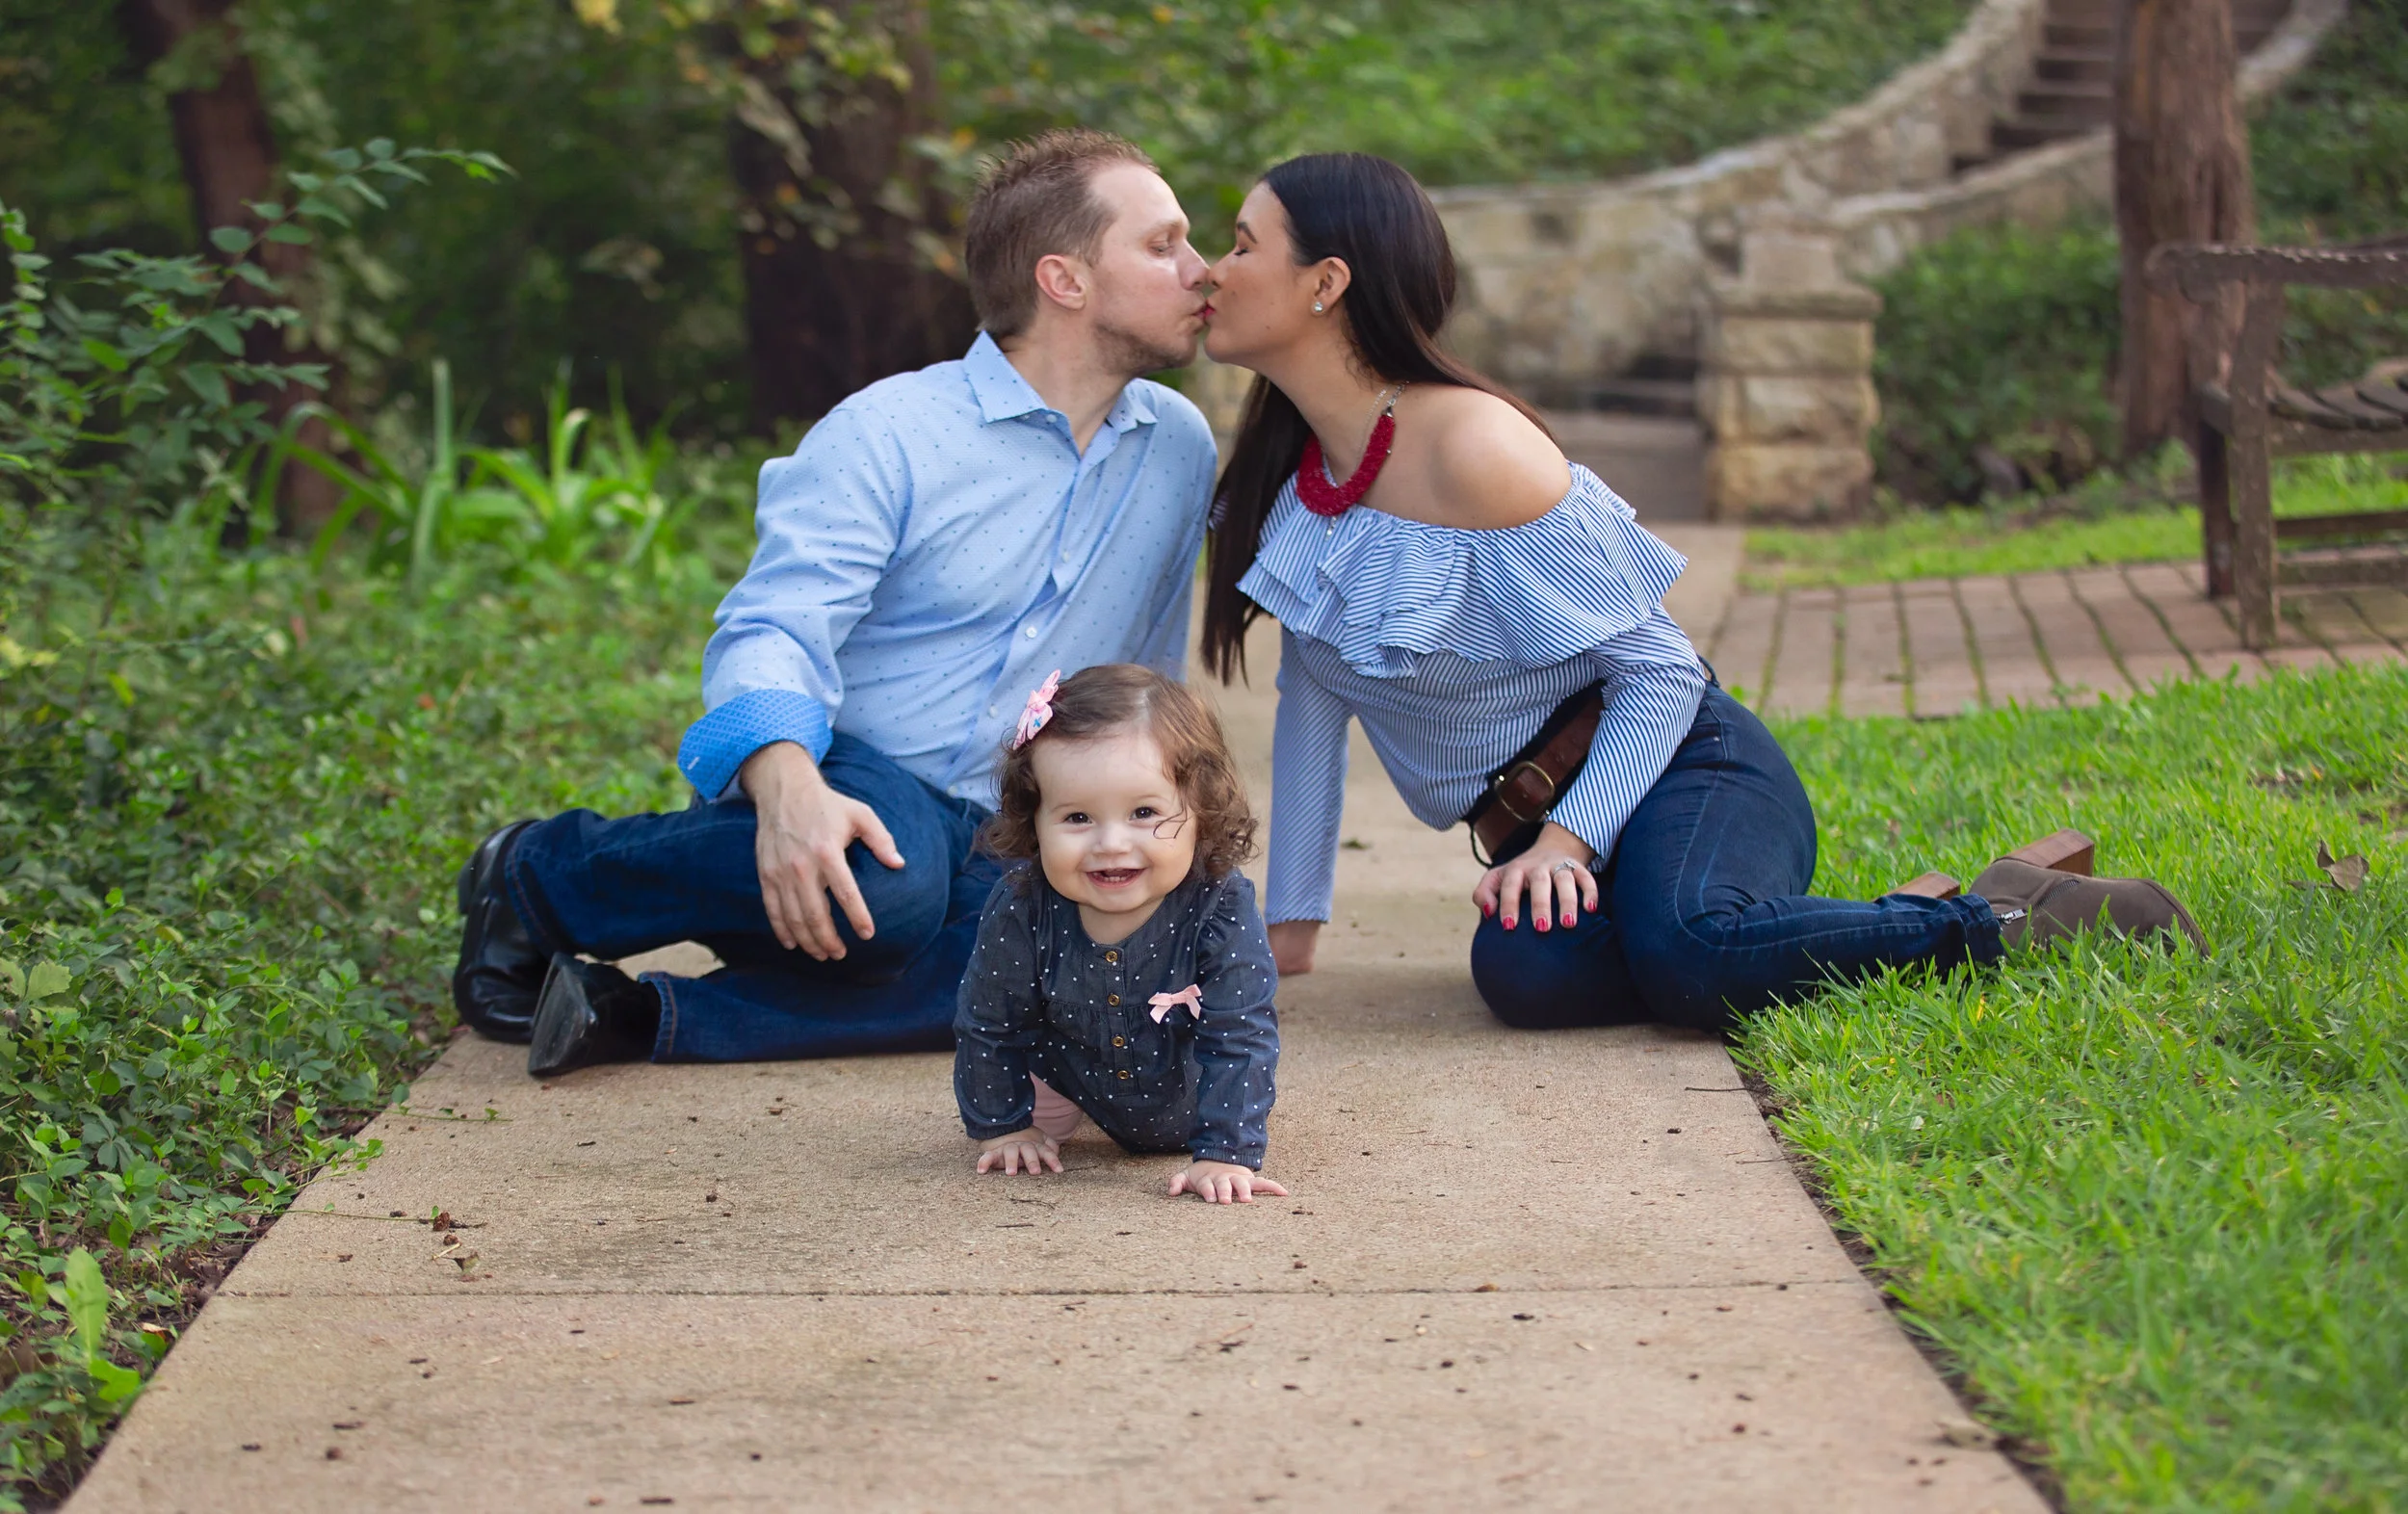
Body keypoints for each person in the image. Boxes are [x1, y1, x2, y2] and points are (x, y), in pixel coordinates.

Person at [1195, 152, 2206, 1033]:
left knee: (1687, 954)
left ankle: (2006, 915)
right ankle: (1782, 932)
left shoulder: (1473, 447)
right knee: (1526, 980)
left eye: (1240, 245)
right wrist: (1291, 928)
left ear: (1326, 282)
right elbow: (1315, 702)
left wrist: (1563, 840)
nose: (1212, 270)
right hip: (1548, 822)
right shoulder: (1299, 490)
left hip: (1691, 766)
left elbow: (1662, 673)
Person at [460, 128, 1222, 1079]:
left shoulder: (1177, 447)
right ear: (1063, 280)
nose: (1202, 273)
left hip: (1007, 817)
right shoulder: (889, 432)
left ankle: (638, 1016)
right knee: (891, 880)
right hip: (856, 786)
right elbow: (773, 625)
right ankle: (538, 874)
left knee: (1061, 961)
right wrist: (786, 793)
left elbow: (1135, 678)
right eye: (1164, 245)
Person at [954, 665, 1284, 1205]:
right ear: (1032, 820)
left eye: (1144, 812)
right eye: (1078, 817)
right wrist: (1002, 1125)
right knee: (1034, 1111)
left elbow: (1241, 1034)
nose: (1110, 842)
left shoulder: (1219, 904)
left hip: (1189, 1096)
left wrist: (1226, 1152)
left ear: (1200, 810)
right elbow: (989, 1022)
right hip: (1068, 1074)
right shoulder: (1022, 903)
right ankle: (1051, 1104)